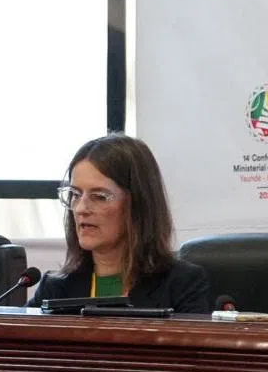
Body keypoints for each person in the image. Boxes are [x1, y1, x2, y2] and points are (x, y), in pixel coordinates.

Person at [29, 134, 209, 313]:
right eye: (76, 194)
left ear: (138, 204)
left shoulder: (182, 285)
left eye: (99, 196)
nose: (81, 208)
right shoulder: (55, 288)